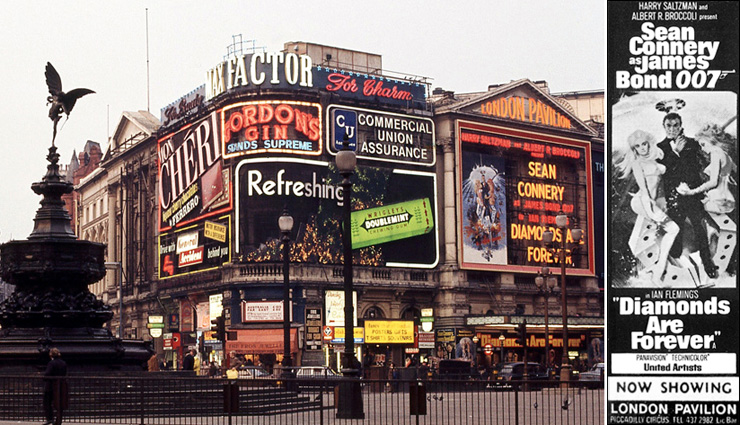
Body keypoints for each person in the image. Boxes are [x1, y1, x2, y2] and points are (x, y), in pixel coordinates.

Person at [656, 113, 718, 279]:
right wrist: (676, 152)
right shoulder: (659, 147)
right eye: (669, 125)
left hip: (692, 194)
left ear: (681, 125)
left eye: (676, 125)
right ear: (664, 126)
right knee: (676, 231)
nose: (672, 129)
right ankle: (674, 264)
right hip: (674, 196)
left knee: (699, 228)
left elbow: (696, 167)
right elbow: (665, 172)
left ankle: (708, 264)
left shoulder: (692, 143)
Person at [616, 129, 679, 283]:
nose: (642, 148)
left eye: (644, 144)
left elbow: (660, 186)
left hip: (653, 201)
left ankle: (656, 268)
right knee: (673, 229)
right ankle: (658, 270)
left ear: (649, 143)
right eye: (638, 146)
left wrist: (661, 202)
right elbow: (644, 189)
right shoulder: (637, 163)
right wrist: (651, 209)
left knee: (653, 235)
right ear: (634, 149)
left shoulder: (654, 160)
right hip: (642, 201)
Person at [677, 124, 737, 215]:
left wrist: (692, 192)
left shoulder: (715, 153)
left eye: (703, 144)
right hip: (730, 197)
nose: (702, 149)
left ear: (711, 140)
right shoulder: (725, 154)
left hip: (720, 199)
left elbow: (713, 182)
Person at [43, 348, 67, 425]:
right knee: (59, 403)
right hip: (60, 386)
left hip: (50, 386)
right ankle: (58, 419)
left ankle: (50, 418)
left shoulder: (51, 363)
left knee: (47, 402)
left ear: (51, 354)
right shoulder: (63, 363)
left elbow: (47, 374)